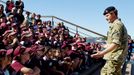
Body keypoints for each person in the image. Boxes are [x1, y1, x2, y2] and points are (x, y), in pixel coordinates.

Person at [91, 6, 128, 75]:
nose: (106, 18)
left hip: (115, 57)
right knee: (104, 72)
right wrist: (105, 46)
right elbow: (115, 42)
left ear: (113, 14)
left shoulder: (117, 25)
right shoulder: (115, 24)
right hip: (113, 56)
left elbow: (116, 44)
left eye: (107, 15)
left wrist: (101, 54)